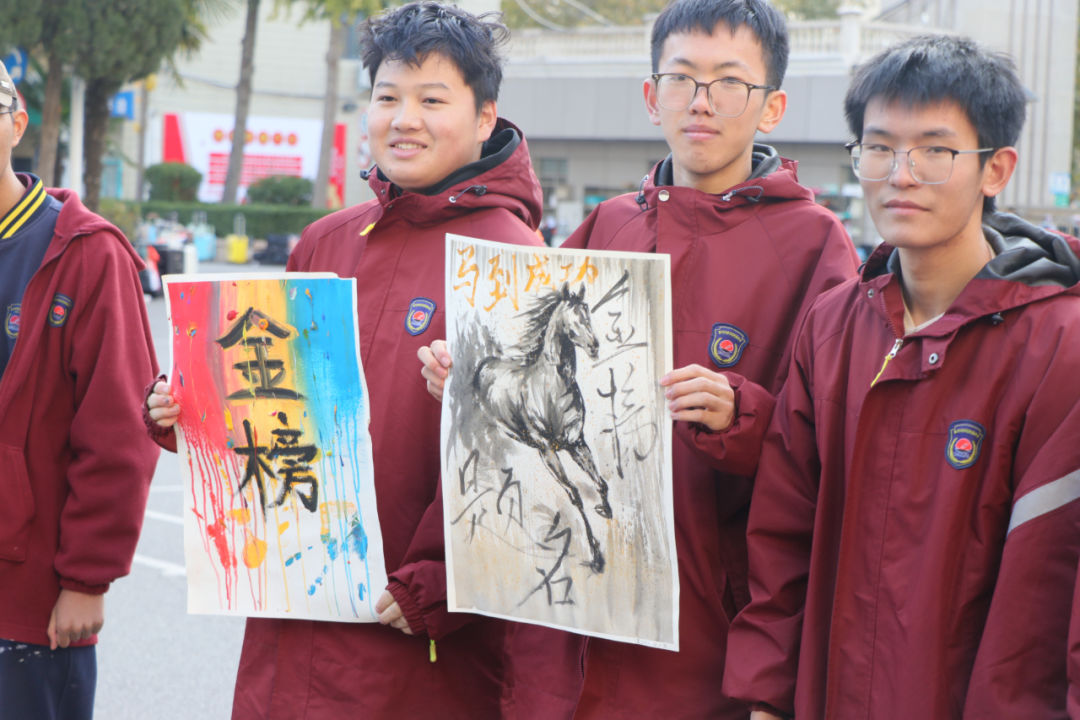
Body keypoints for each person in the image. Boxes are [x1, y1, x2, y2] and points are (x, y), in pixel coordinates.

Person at [418, 1, 858, 716]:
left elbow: (830, 445)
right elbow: (534, 398)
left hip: (700, 635)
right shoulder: (611, 222)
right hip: (567, 611)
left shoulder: (813, 243)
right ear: (652, 97)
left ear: (772, 106)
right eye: (681, 79)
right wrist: (466, 382)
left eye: (729, 82)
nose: (701, 101)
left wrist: (740, 416)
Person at [146, 2, 545, 717]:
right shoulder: (326, 241)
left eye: (432, 100)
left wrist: (444, 583)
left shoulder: (513, 259)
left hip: (413, 644)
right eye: (388, 97)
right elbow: (270, 412)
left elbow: (537, 466)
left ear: (486, 117)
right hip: (289, 620)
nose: (404, 119)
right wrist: (188, 408)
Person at [724, 34, 1080, 719]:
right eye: (880, 148)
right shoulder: (834, 328)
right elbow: (783, 536)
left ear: (996, 168)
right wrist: (766, 697)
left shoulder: (1059, 348)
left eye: (935, 151)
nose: (901, 175)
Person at [0, 61, 161, 720]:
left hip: (27, 601)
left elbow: (121, 430)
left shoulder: (85, 253)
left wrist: (86, 578)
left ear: (17, 124)